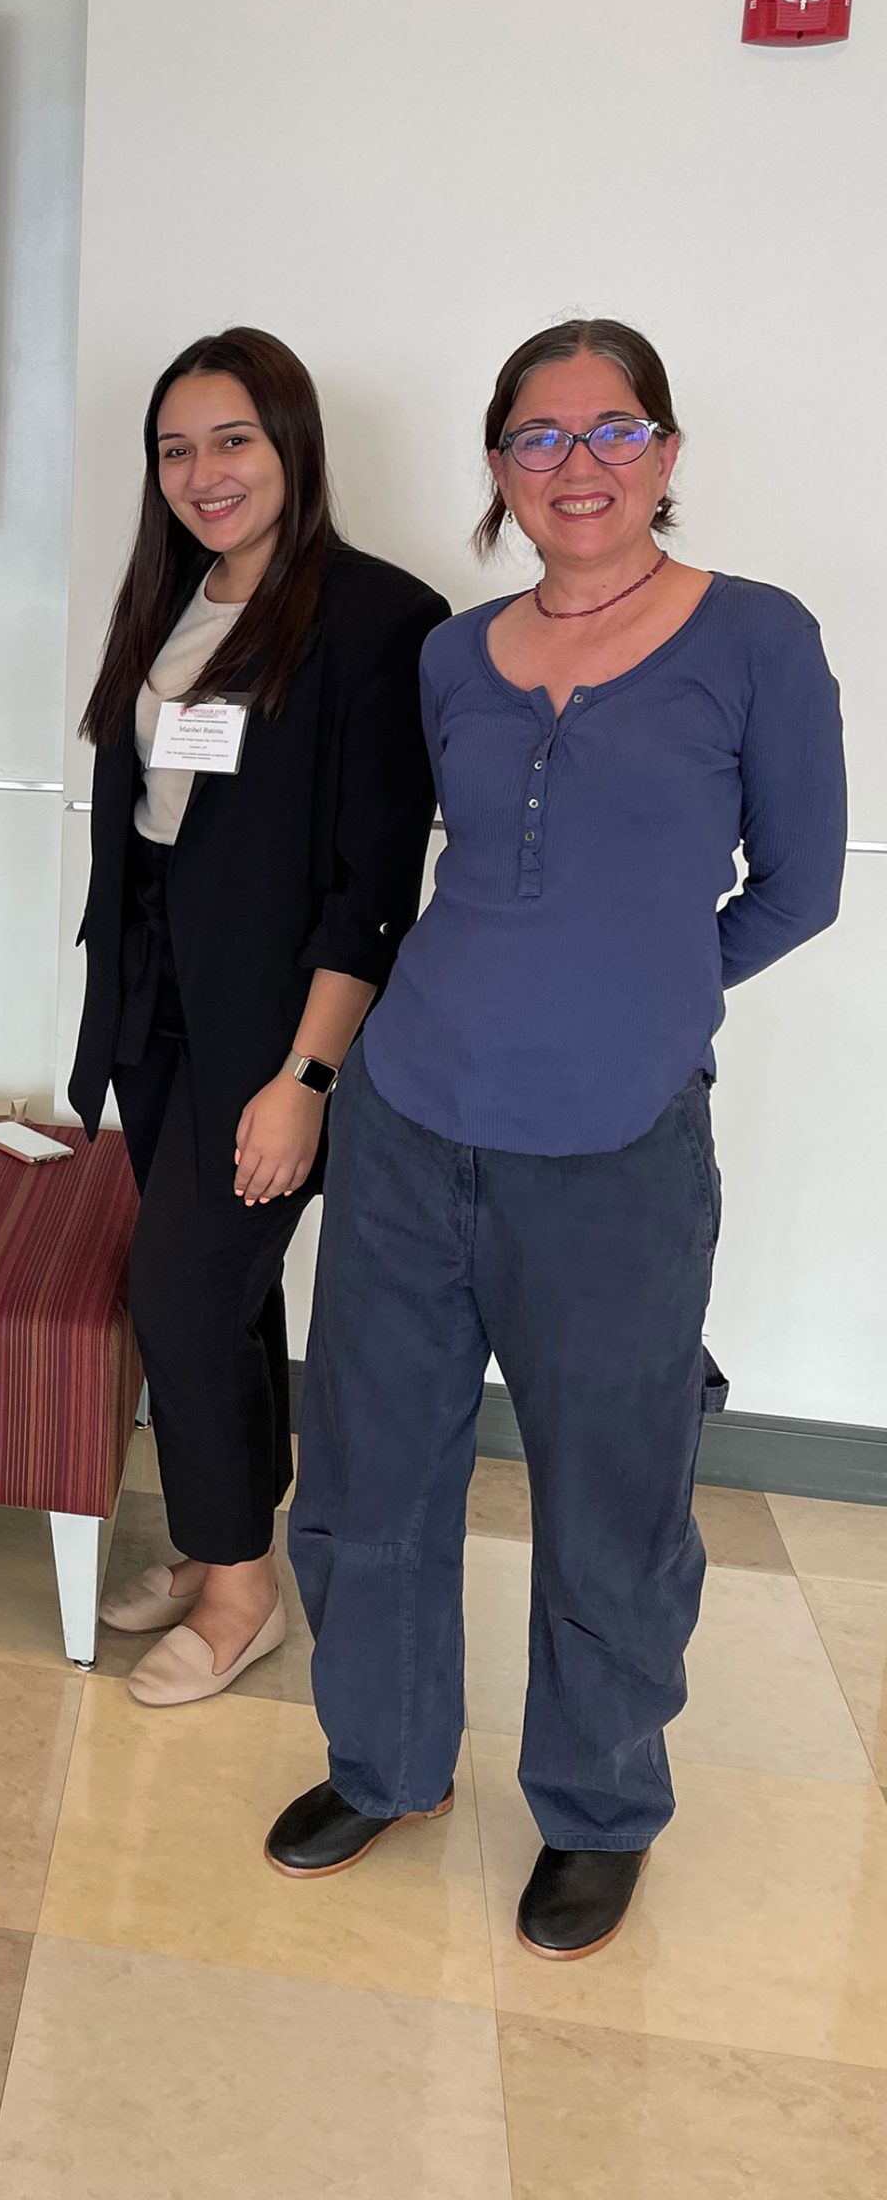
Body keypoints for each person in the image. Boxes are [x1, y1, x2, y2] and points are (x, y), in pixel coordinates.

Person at [271, 318, 845, 1958]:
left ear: (663, 454)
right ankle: (381, 1763)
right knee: (371, 1471)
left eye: (612, 428)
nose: (576, 463)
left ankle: (595, 1809)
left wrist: (654, 998)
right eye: (538, 435)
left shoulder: (752, 639)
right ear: (497, 467)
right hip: (406, 1123)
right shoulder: (453, 657)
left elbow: (794, 889)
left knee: (610, 1495)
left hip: (610, 1152)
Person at [71, 328, 448, 1705]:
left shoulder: (377, 620)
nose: (201, 472)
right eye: (175, 449)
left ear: (292, 445)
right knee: (214, 1299)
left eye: (232, 439)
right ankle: (218, 1539)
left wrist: (307, 1077)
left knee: (180, 1286)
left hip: (276, 1029)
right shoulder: (169, 599)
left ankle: (242, 1593)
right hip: (156, 1002)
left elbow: (371, 888)